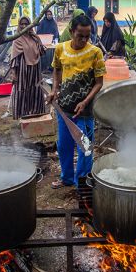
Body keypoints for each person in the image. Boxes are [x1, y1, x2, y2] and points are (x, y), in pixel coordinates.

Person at [47, 14, 106, 189]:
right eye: (80, 35)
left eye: (88, 36)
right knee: (64, 146)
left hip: (85, 111)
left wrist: (85, 101)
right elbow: (57, 70)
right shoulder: (60, 49)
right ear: (72, 31)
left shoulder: (95, 52)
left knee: (85, 148)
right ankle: (66, 178)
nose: (84, 39)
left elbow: (99, 82)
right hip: (64, 107)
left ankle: (82, 183)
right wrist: (54, 90)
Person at [9, 16, 46, 119]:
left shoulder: (34, 37)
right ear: (19, 25)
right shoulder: (17, 39)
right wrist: (14, 73)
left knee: (36, 89)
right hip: (22, 69)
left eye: (26, 24)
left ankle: (36, 111)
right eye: (22, 24)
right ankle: (22, 114)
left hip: (35, 69)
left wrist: (37, 39)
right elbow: (14, 57)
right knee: (22, 89)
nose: (24, 26)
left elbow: (42, 51)